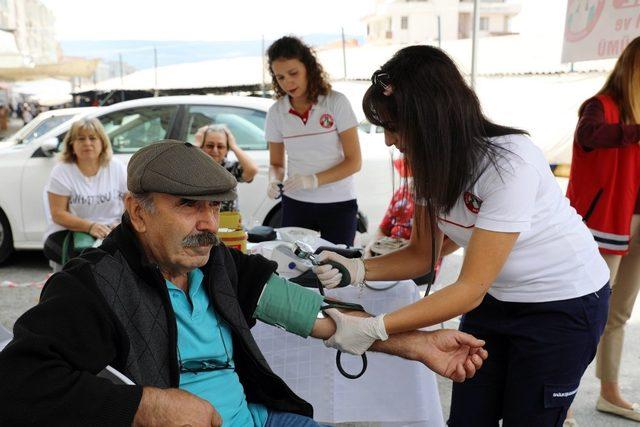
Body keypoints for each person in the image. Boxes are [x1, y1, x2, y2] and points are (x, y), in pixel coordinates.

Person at [0, 140, 488, 426]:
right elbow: (19, 382)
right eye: (188, 206)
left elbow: (321, 318)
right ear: (137, 212)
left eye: (215, 206)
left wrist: (417, 345)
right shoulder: (93, 286)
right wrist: (147, 404)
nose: (209, 223)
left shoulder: (220, 265)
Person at [312, 45, 611, 426]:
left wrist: (374, 328)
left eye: (392, 126)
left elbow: (468, 288)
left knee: (530, 419)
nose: (388, 140)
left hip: (563, 305)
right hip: (496, 300)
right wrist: (356, 268)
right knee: (470, 417)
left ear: (431, 118)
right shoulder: (427, 166)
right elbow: (422, 255)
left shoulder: (509, 163)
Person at [565, 36, 640, 422]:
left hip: (635, 223)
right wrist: (636, 130)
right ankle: (561, 397)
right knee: (586, 312)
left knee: (619, 313)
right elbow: (588, 137)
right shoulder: (600, 106)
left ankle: (609, 391)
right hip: (605, 222)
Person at [265, 36, 362, 246]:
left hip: (339, 202)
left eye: (293, 73)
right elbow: (276, 163)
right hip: (295, 202)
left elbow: (354, 161)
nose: (287, 82)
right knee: (294, 265)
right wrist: (274, 180)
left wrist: (313, 180)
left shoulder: (336, 102)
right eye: (280, 77)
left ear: (308, 68)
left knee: (338, 267)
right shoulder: (276, 112)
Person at [43, 118, 127, 265]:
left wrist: (121, 224)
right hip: (72, 232)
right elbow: (58, 214)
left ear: (102, 142)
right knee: (88, 264)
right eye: (81, 139)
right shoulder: (61, 171)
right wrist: (90, 227)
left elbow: (131, 203)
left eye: (93, 138)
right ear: (71, 144)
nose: (87, 143)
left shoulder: (117, 167)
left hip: (112, 231)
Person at [195, 124, 259, 212]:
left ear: (227, 150)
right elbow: (179, 168)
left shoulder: (230, 168)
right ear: (201, 147)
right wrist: (196, 144)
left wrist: (234, 146)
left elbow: (252, 170)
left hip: (228, 222)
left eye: (220, 146)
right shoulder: (193, 166)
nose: (215, 150)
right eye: (210, 146)